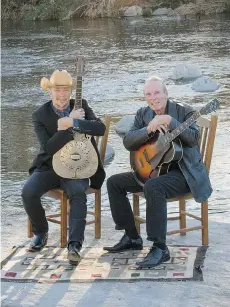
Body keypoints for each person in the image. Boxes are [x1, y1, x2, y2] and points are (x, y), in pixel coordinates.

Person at [104, 76, 212, 267]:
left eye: (157, 92)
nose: (153, 97)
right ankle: (132, 237)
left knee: (154, 187)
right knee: (114, 182)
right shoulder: (143, 114)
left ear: (166, 93)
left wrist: (170, 121)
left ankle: (160, 247)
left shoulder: (184, 111)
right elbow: (128, 142)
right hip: (154, 170)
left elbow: (194, 137)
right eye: (148, 94)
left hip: (184, 174)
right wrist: (148, 129)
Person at [22, 70, 106, 265]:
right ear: (49, 92)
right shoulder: (40, 115)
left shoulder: (81, 105)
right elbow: (49, 147)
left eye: (65, 91)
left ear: (70, 92)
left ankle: (74, 246)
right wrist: (69, 126)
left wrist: (76, 121)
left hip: (78, 164)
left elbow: (99, 128)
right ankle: (41, 233)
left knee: (78, 193)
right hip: (49, 166)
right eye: (57, 91)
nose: (61, 95)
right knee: (28, 192)